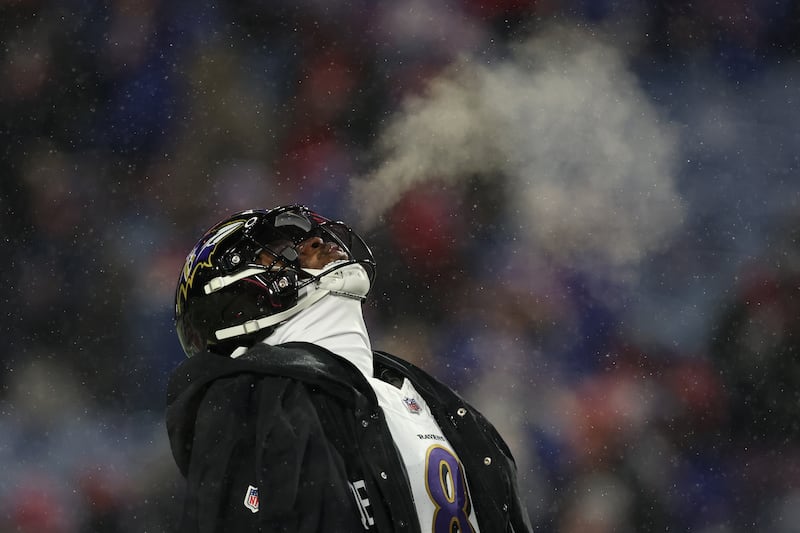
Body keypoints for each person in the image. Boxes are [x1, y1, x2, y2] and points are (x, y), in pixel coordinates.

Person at [166, 204, 533, 532]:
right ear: (231, 297)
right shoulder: (249, 399)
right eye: (281, 248)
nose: (318, 243)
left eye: (313, 236)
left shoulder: (419, 394)